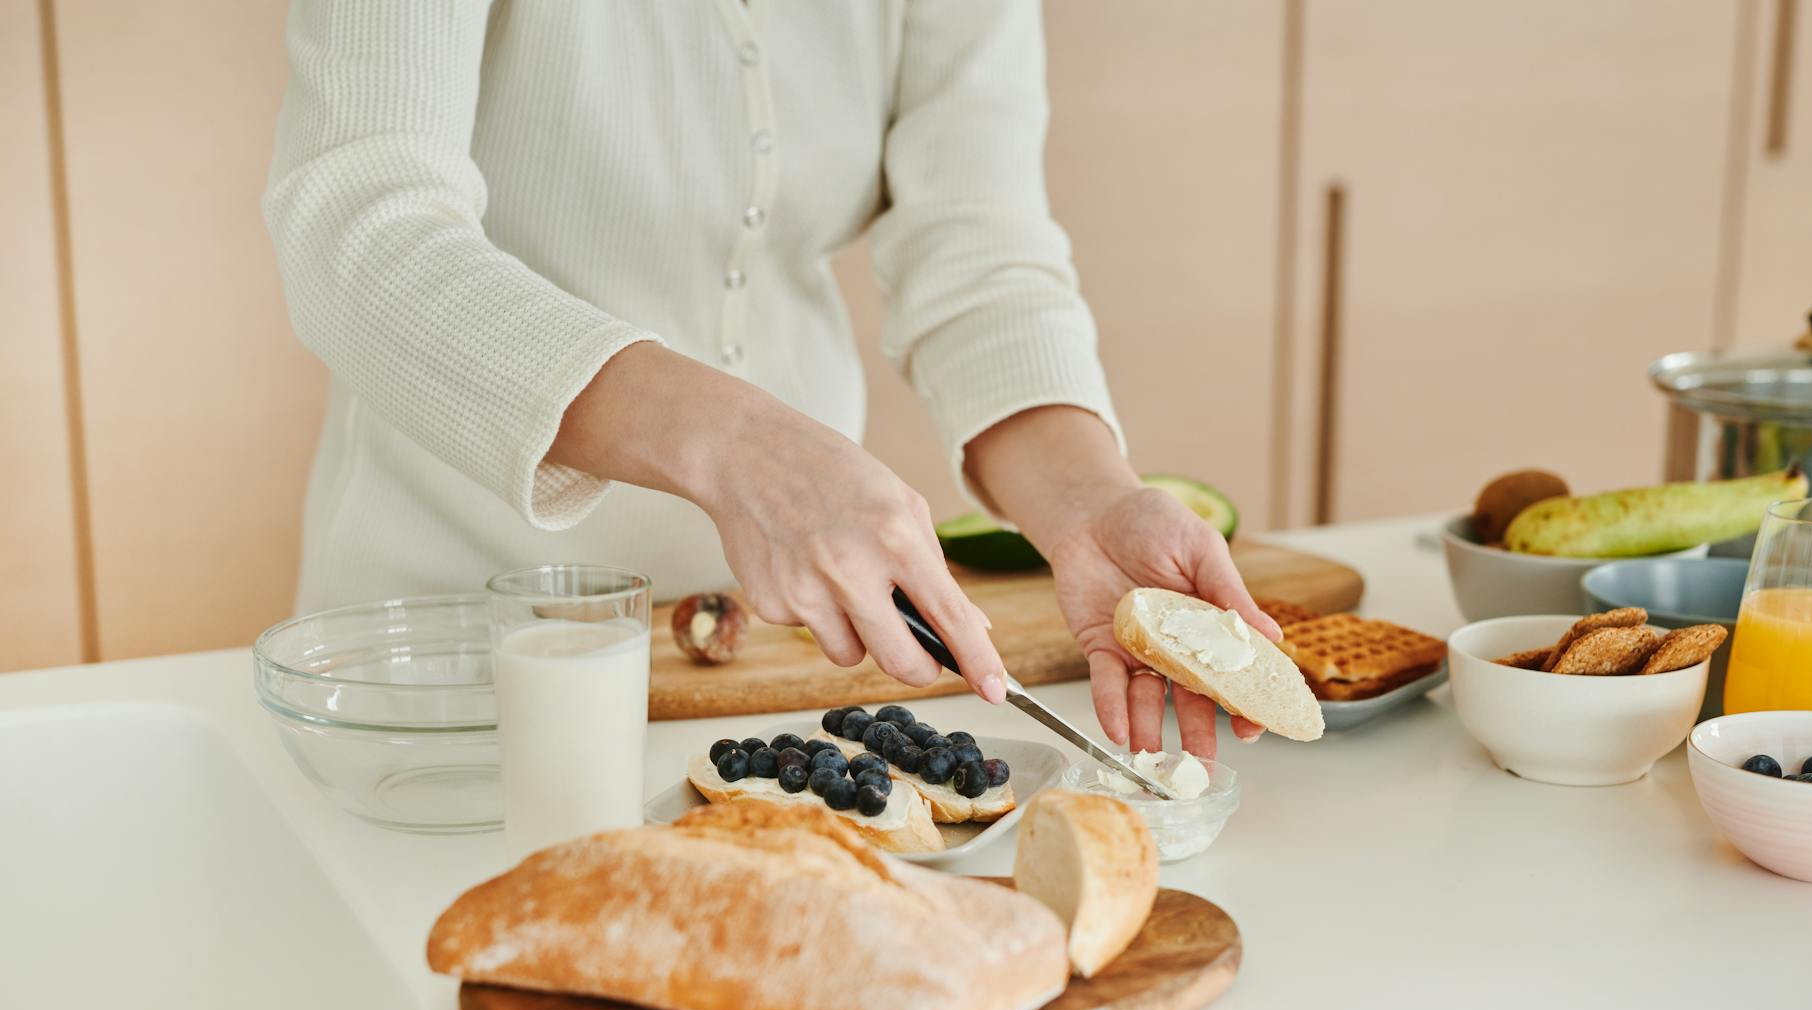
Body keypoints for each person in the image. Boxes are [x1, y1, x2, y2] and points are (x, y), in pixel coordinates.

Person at [264, 0, 1278, 757]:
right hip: (455, 661)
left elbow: (974, 244)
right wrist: (741, 447)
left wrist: (1089, 500)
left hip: (779, 660)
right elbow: (358, 226)